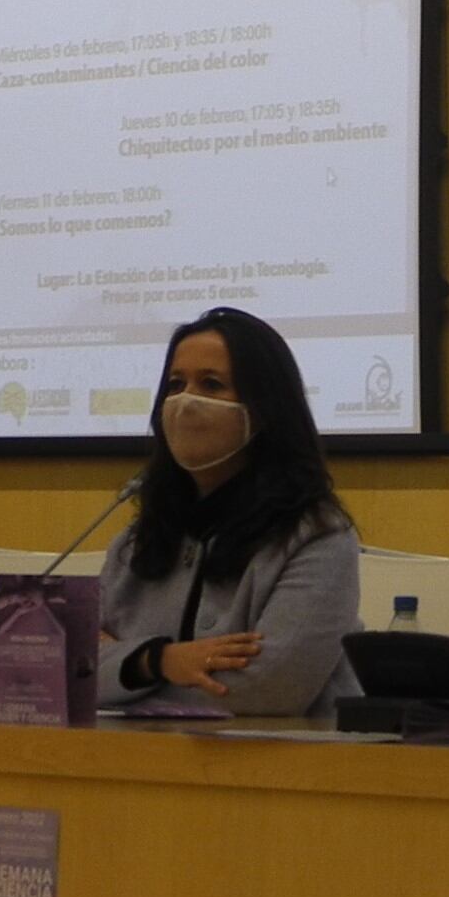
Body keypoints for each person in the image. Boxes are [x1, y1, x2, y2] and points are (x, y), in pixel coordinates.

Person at [96, 307, 364, 718]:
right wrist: (159, 660)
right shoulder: (136, 542)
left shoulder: (318, 538)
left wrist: (123, 672)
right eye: (175, 384)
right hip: (137, 761)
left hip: (281, 767)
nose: (186, 401)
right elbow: (69, 669)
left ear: (264, 408)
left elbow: (268, 691)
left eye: (212, 384)